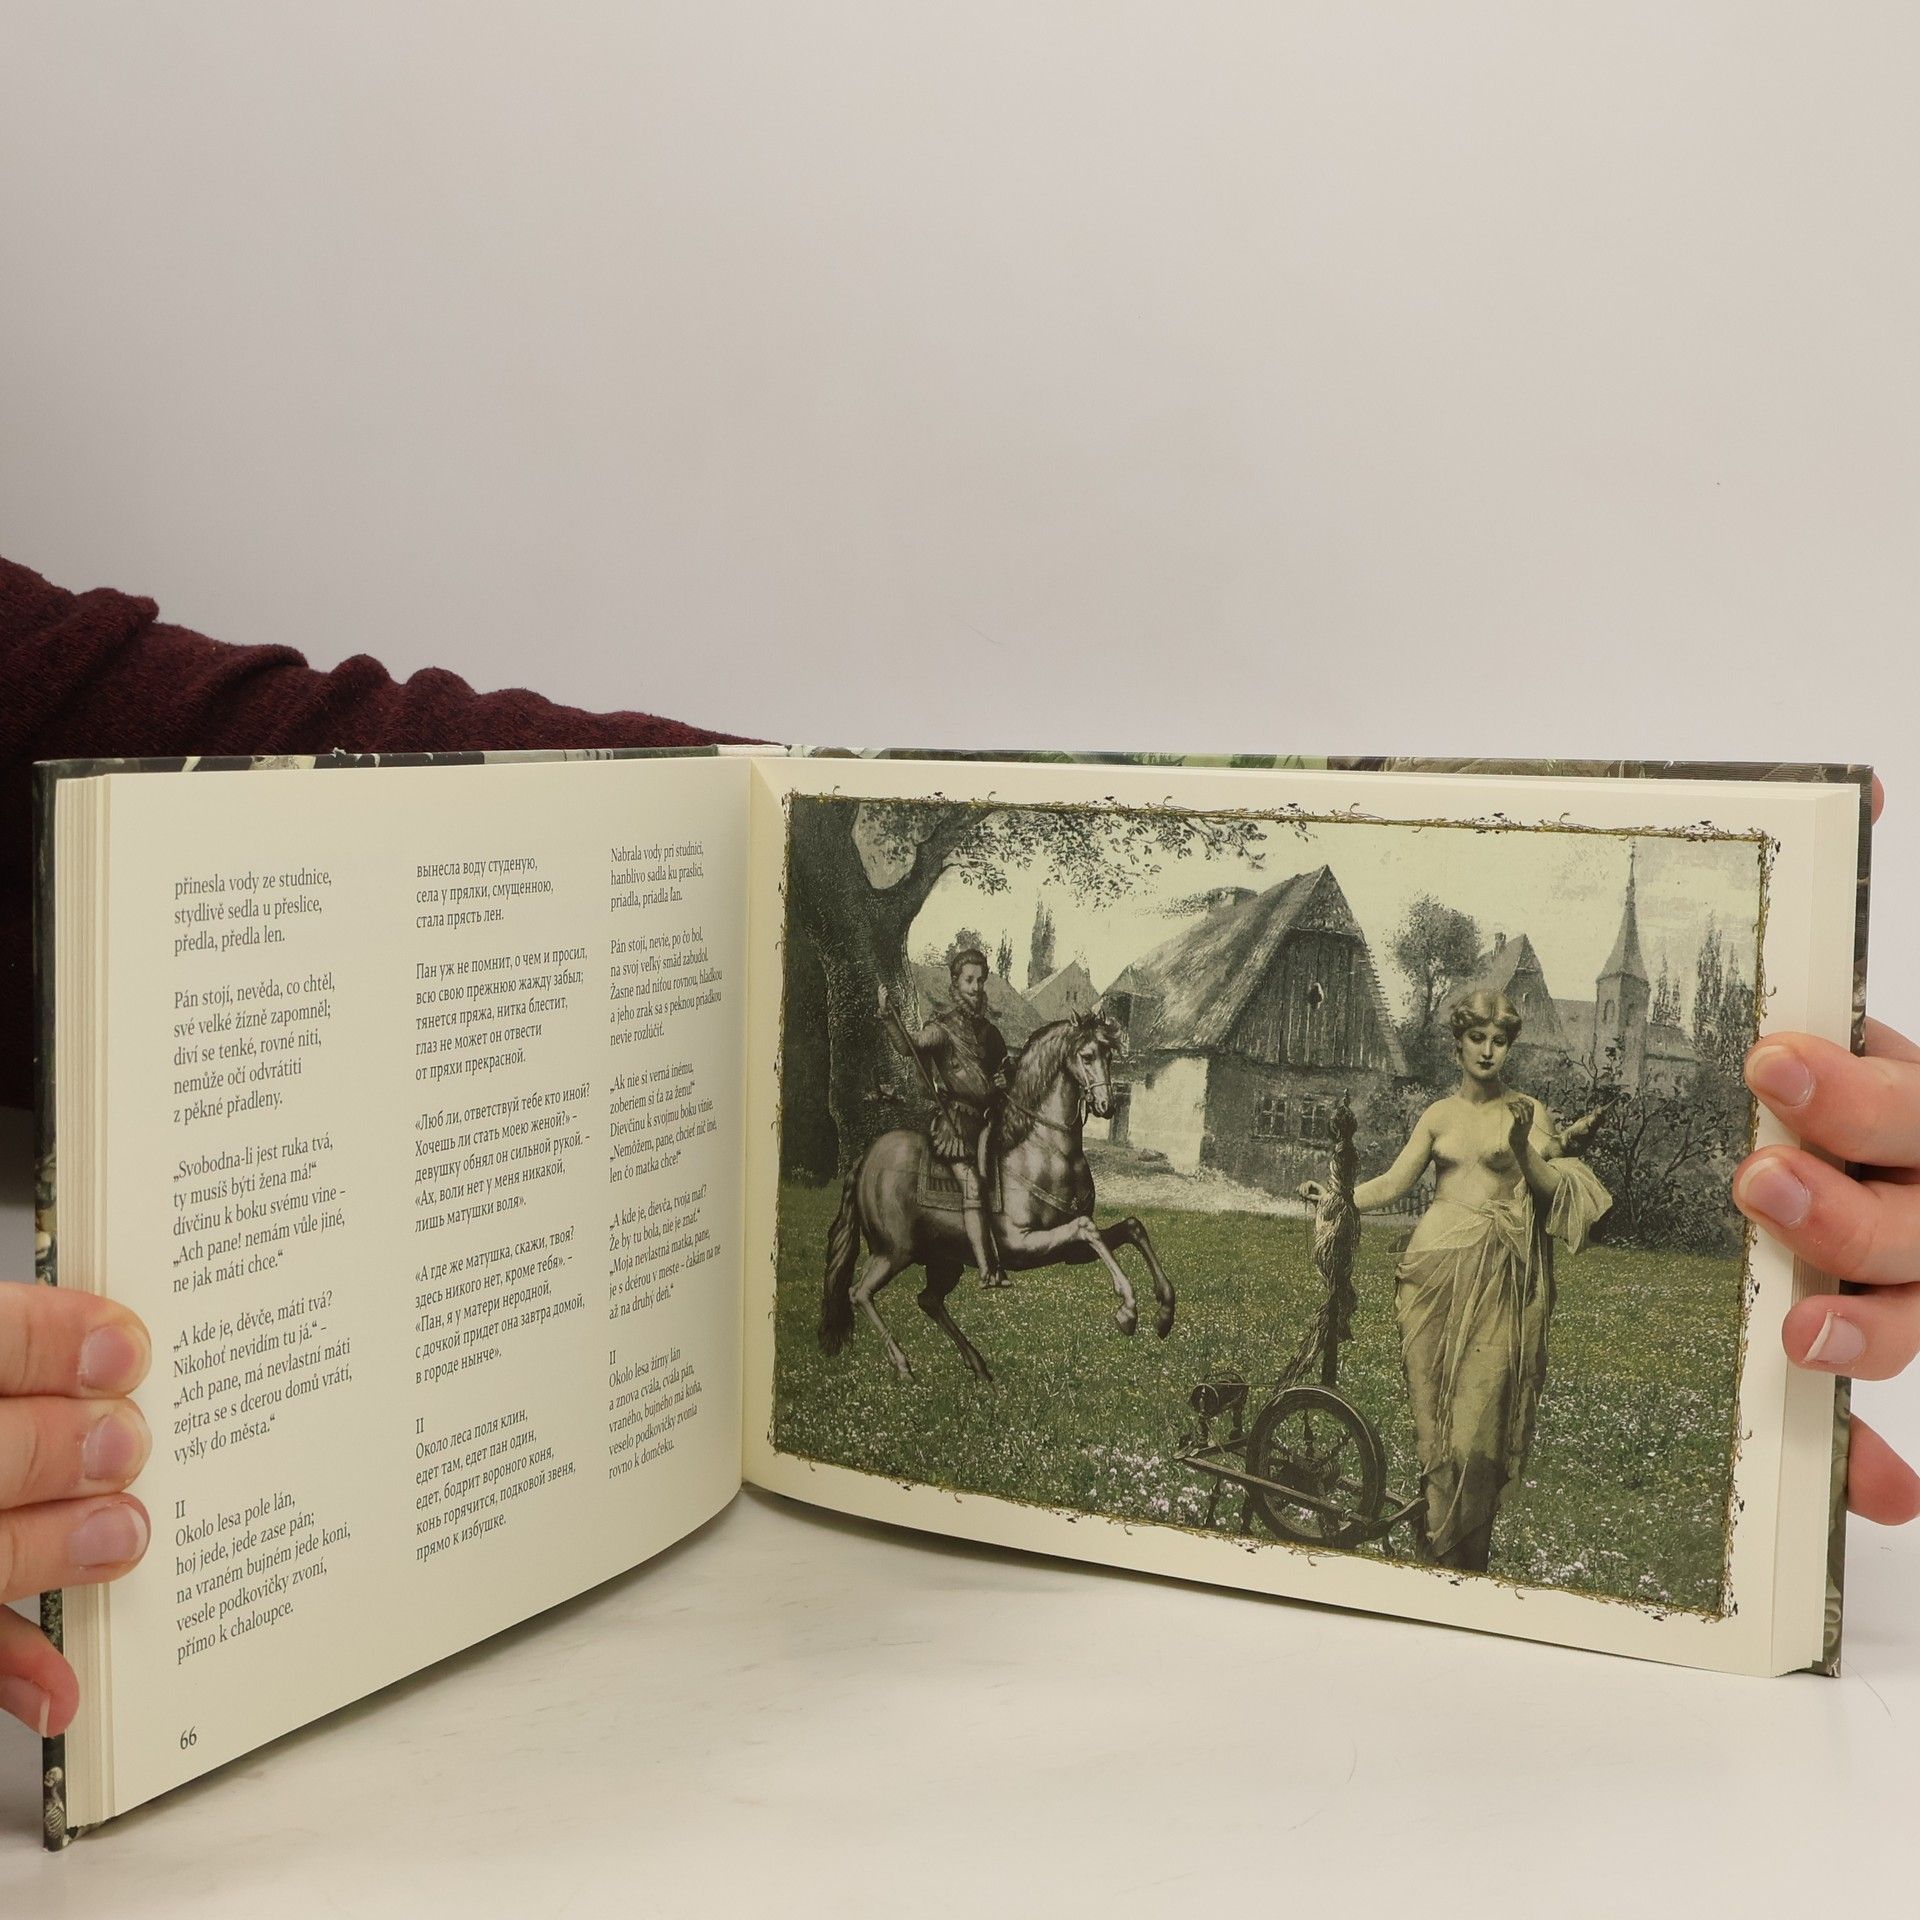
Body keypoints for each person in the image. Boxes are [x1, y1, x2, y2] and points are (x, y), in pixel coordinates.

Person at [0, 553, 1916, 1736]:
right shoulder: (973, 1032)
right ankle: (978, 1256)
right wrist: (975, 1073)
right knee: (979, 1160)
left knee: (1049, 1154)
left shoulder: (1064, 1025)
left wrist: (783, 827)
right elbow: (995, 1077)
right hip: (974, 1128)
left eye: (996, 967)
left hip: (1264, 1188)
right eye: (984, 968)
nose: (988, 977)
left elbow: (220, 730)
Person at [1304, 990, 1611, 1569]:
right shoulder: (1438, 1115)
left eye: (1499, 1041)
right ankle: (1440, 1563)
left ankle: (1469, 1561)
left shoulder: (1527, 1112)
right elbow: (1394, 1183)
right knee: (1435, 1438)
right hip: (1429, 1280)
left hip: (1498, 1281)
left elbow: (1553, 1193)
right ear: (1459, 1045)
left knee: (1477, 1439)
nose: (1488, 1051)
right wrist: (1339, 1197)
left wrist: (1520, 1147)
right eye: (1477, 1039)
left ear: (1509, 1047)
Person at [882, 947, 1013, 1287]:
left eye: (980, 981)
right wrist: (888, 1015)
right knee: (972, 1187)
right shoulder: (941, 1029)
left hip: (989, 1123)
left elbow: (1004, 1068)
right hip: (956, 1126)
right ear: (956, 984)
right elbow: (908, 1046)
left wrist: (1005, 1078)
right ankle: (987, 1271)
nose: (976, 988)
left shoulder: (991, 1032)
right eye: (969, 981)